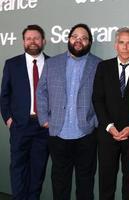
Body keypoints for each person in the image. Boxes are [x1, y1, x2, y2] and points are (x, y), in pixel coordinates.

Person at [37, 23, 102, 200]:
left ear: (89, 42)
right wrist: (44, 118)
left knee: (85, 182)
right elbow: (41, 91)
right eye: (75, 36)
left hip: (86, 134)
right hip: (58, 132)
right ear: (68, 39)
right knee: (59, 182)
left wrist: (95, 121)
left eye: (83, 38)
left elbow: (103, 97)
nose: (78, 40)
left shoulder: (99, 65)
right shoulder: (52, 63)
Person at [92, 27, 129, 200]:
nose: (125, 46)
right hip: (108, 135)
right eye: (121, 42)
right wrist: (109, 126)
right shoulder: (103, 67)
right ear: (115, 45)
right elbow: (97, 99)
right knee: (106, 181)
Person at [0, 24, 49, 200]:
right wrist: (9, 120)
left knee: (38, 169)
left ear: (43, 41)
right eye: (28, 38)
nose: (32, 42)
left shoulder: (54, 63)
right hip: (20, 125)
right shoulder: (12, 64)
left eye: (36, 38)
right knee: (18, 168)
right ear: (23, 42)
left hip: (44, 127)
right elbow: (4, 95)